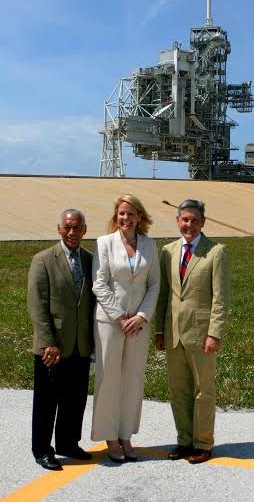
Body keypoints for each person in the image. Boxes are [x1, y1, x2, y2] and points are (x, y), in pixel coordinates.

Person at [154, 199, 230, 464]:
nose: (189, 225)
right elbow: (164, 293)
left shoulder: (216, 252)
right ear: (178, 221)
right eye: (185, 219)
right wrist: (159, 331)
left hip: (201, 334)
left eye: (194, 220)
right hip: (173, 333)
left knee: (204, 391)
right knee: (179, 391)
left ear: (203, 223)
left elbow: (220, 298)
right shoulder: (167, 251)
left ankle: (203, 443)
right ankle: (184, 441)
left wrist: (214, 333)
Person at [91, 194, 160, 463]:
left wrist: (141, 316)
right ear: (115, 216)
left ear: (140, 217)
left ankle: (126, 434)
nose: (126, 218)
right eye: (121, 213)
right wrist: (121, 317)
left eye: (131, 214)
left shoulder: (149, 246)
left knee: (132, 379)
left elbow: (154, 284)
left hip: (138, 326)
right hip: (110, 322)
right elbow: (100, 283)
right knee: (109, 378)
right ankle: (109, 435)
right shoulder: (104, 243)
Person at [27, 209, 94, 471]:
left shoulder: (90, 260)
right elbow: (37, 305)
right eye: (67, 227)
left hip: (80, 344)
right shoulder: (43, 260)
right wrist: (47, 343)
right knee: (46, 401)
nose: (72, 232)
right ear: (59, 229)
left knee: (75, 398)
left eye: (77, 228)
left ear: (84, 230)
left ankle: (68, 443)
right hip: (52, 347)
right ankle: (42, 450)